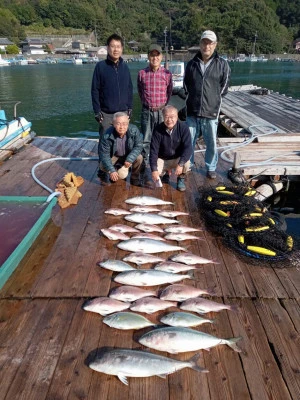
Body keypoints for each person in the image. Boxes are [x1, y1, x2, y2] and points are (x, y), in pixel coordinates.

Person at [184, 30, 231, 179]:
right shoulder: (191, 64)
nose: (207, 46)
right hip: (192, 110)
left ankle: (210, 167)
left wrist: (214, 98)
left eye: (210, 43)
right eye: (204, 42)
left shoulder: (222, 64)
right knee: (189, 141)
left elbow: (224, 87)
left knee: (211, 142)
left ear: (215, 45)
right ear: (200, 44)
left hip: (211, 111)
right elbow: (186, 85)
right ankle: (188, 164)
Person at [91, 33, 133, 161]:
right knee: (105, 142)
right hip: (106, 113)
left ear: (122, 48)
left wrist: (130, 108)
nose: (116, 49)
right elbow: (95, 90)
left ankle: (120, 165)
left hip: (123, 112)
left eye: (118, 46)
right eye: (113, 46)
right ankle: (103, 169)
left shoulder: (125, 67)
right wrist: (97, 111)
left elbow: (129, 88)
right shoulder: (100, 67)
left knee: (123, 141)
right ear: (108, 48)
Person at [137, 44, 173, 184]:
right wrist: (148, 105)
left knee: (163, 140)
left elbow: (169, 92)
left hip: (162, 111)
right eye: (152, 55)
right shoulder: (142, 73)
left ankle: (164, 170)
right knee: (146, 139)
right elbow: (140, 92)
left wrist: (162, 107)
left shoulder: (167, 74)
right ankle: (147, 166)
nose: (155, 58)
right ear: (148, 57)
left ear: (161, 57)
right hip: (147, 111)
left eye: (157, 55)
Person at [149, 105, 192, 192]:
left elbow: (188, 148)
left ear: (177, 117)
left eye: (172, 117)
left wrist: (180, 164)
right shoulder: (157, 130)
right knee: (156, 172)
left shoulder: (183, 128)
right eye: (166, 117)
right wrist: (154, 169)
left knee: (186, 163)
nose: (169, 120)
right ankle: (165, 174)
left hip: (177, 159)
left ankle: (181, 179)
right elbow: (153, 151)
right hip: (163, 159)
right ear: (163, 117)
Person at [98, 112, 143, 186]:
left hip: (128, 156)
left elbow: (139, 145)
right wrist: (111, 170)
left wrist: (130, 159)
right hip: (114, 156)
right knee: (102, 165)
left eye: (124, 123)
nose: (121, 127)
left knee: (139, 158)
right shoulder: (106, 135)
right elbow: (104, 154)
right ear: (113, 124)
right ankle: (114, 169)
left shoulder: (134, 130)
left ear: (128, 123)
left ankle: (134, 177)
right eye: (118, 124)